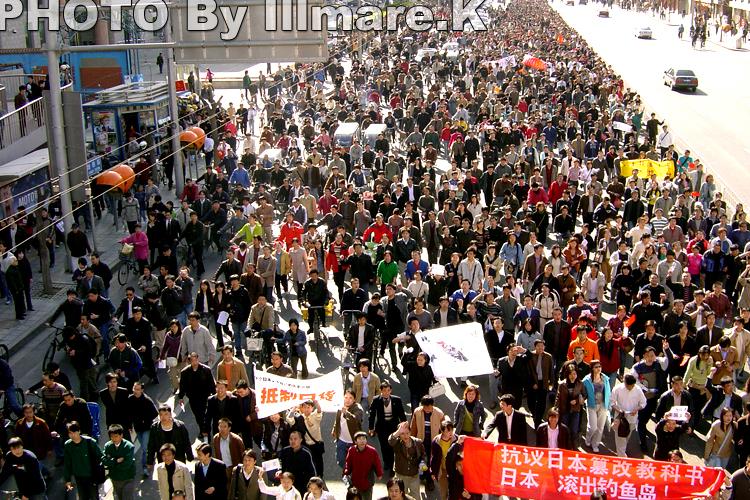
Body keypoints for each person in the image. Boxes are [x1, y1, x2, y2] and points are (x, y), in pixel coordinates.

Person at [368, 381, 407, 476]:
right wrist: (371, 427)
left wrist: (405, 426)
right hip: (381, 427)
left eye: (388, 390)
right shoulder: (376, 400)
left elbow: (401, 414)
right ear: (381, 391)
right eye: (384, 390)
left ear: (391, 391)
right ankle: (386, 462)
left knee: (394, 445)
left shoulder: (397, 400)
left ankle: (392, 466)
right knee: (384, 446)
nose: (386, 393)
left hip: (394, 426)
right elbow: (372, 414)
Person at [63, 421, 103, 500]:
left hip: (92, 476)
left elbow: (100, 456)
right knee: (82, 497)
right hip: (78, 477)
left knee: (94, 497)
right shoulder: (68, 445)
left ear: (79, 431)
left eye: (74, 432)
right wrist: (67, 480)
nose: (72, 435)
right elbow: (67, 463)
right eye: (70, 433)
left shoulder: (90, 442)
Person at [127, 381, 158, 477]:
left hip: (147, 427)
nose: (135, 391)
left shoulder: (147, 400)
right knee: (145, 446)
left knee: (144, 448)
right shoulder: (130, 399)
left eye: (138, 389)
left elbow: (155, 413)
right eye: (134, 389)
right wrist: (130, 425)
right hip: (138, 428)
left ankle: (145, 468)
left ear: (142, 390)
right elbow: (128, 414)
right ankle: (151, 455)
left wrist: (145, 419)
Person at [611, 374, 647, 457]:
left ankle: (622, 450)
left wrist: (637, 409)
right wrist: (619, 410)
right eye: (628, 386)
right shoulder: (617, 389)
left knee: (627, 436)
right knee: (620, 437)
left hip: (632, 418)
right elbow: (612, 402)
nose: (631, 388)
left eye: (632, 386)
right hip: (621, 418)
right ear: (624, 382)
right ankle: (622, 456)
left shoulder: (638, 389)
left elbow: (643, 403)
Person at [388, 421, 424, 499]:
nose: (405, 436)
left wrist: (422, 463)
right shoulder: (397, 443)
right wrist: (398, 431)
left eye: (407, 433)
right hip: (400, 475)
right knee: (400, 496)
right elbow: (390, 441)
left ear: (410, 432)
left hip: (414, 475)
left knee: (416, 496)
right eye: (402, 433)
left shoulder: (417, 442)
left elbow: (423, 455)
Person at [343, 431, 383, 500]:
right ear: (355, 441)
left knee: (367, 498)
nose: (362, 441)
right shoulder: (351, 450)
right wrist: (346, 472)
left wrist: (379, 473)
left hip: (368, 482)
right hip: (355, 482)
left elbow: (377, 463)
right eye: (359, 439)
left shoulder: (372, 451)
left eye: (364, 438)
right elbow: (348, 463)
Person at [583, 360, 611, 452]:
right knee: (593, 427)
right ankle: (588, 439)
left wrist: (609, 404)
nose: (598, 369)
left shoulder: (605, 378)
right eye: (596, 367)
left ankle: (595, 444)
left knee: (600, 427)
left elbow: (608, 392)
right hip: (591, 405)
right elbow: (583, 392)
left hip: (603, 405)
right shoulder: (587, 380)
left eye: (599, 367)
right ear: (592, 368)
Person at [102, 424, 136, 500]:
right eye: (111, 436)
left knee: (127, 497)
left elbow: (126, 465)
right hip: (115, 478)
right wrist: (116, 461)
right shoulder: (108, 446)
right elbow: (104, 461)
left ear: (121, 435)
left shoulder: (129, 446)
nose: (114, 439)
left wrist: (112, 464)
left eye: (116, 436)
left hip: (127, 478)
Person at [277, 430, 317, 494]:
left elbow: (313, 471)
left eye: (295, 439)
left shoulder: (306, 453)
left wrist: (311, 485)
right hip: (288, 483)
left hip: (302, 484)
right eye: (291, 439)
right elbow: (281, 465)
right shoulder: (285, 451)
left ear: (301, 440)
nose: (293, 441)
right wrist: (279, 471)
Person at [332, 389, 364, 469]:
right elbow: (337, 420)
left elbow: (356, 419)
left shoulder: (358, 408)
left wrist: (346, 413)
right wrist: (334, 429)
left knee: (355, 461)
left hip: (353, 441)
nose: (347, 400)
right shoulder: (340, 407)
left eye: (350, 398)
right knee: (340, 460)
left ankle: (352, 472)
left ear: (354, 400)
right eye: (346, 397)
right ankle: (347, 471)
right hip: (341, 440)